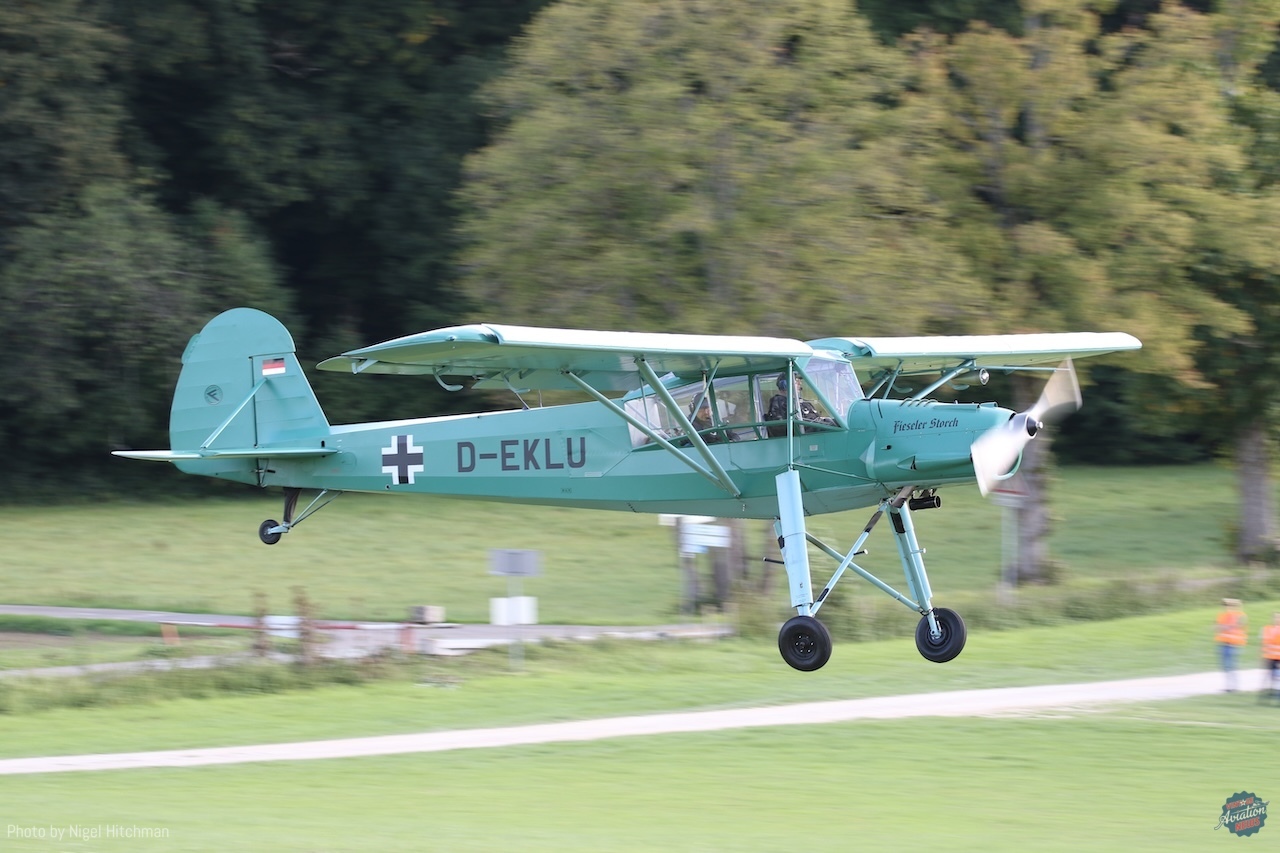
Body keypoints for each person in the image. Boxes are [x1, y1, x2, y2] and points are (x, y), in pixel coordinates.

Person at [766, 376, 833, 437]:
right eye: (796, 381)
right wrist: (823, 424)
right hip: (804, 437)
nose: (800, 383)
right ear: (785, 385)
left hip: (815, 431)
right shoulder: (779, 402)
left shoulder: (801, 402)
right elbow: (785, 427)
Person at [1216, 598, 1248, 693]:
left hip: (1234, 644)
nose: (1228, 607)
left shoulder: (1240, 616)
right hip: (1224, 644)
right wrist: (1226, 626)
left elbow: (1240, 624)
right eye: (1226, 605)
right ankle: (1228, 685)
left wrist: (1225, 626)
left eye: (1230, 605)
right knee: (1225, 666)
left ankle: (1234, 686)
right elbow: (1217, 627)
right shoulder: (1222, 616)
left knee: (1232, 665)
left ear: (1235, 606)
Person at [1261, 612, 1280, 703]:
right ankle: (1270, 696)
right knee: (1271, 677)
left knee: (1278, 677)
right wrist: (1264, 657)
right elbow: (1265, 644)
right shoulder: (1268, 629)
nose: (1277, 620)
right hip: (1270, 657)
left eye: (1278, 618)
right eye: (1275, 618)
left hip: (1278, 659)